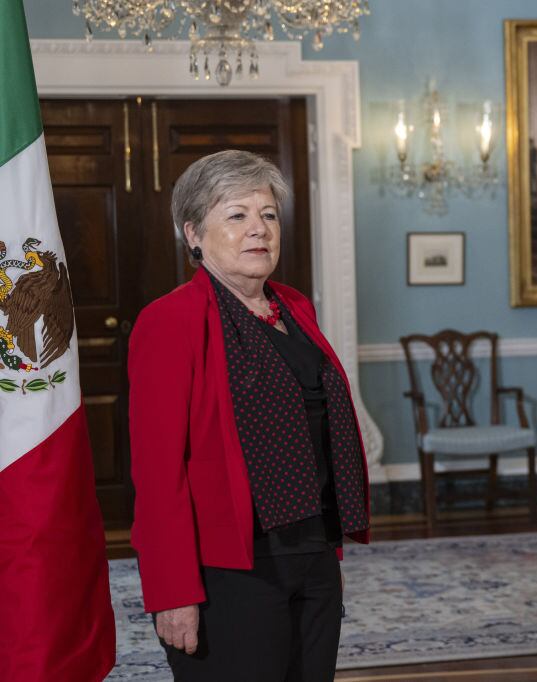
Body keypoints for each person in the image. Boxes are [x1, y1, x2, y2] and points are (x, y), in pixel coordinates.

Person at [128, 149, 370, 681]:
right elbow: (157, 472)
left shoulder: (295, 308)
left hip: (311, 555)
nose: (258, 229)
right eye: (236, 215)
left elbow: (319, 441)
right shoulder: (170, 321)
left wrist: (327, 555)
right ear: (193, 233)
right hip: (229, 571)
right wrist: (172, 593)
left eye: (267, 215)